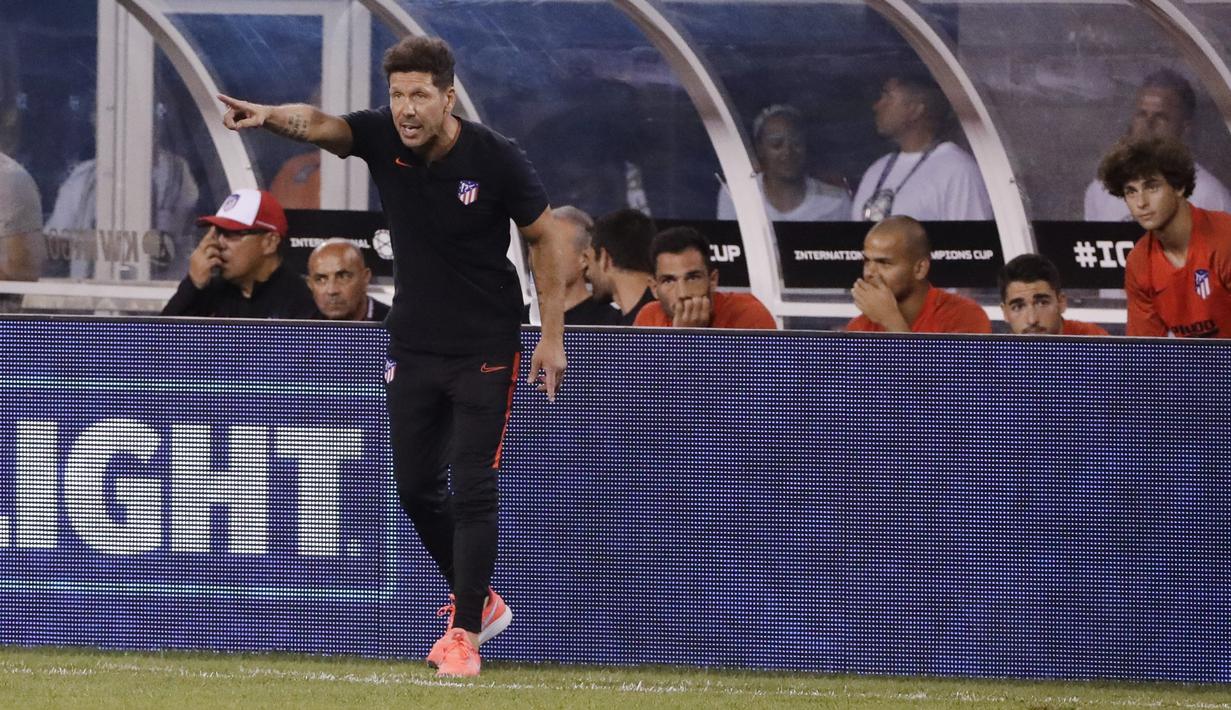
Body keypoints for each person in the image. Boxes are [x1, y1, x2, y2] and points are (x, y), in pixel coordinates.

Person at [214, 36, 570, 677]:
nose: (406, 109)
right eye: (397, 95)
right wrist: (267, 115)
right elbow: (320, 124)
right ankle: (481, 603)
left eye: (419, 95)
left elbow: (545, 236)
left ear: (447, 96)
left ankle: (463, 633)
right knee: (413, 490)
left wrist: (552, 333)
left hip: (486, 347)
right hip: (411, 345)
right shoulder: (381, 137)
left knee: (473, 487)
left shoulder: (496, 158)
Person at [1100, 137, 1231, 338]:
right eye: (1131, 191)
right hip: (1196, 366)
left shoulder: (1225, 238)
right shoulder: (1139, 263)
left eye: (1152, 187)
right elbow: (1145, 352)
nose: (1141, 202)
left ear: (1178, 187)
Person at [1085, 69, 1231, 221]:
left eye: (1161, 117)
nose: (1148, 124)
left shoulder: (1209, 196)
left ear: (1184, 128)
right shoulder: (1102, 190)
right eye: (1142, 115)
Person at [851, 74, 992, 222]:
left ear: (915, 110)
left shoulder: (958, 171)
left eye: (887, 96)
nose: (877, 106)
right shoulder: (877, 169)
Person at [161, 189, 317, 319]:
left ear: (270, 242)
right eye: (219, 232)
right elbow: (154, 346)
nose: (219, 243)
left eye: (231, 233)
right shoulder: (210, 291)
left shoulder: (300, 300)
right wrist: (192, 285)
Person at [846, 216, 992, 333]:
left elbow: (946, 371)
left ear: (920, 269)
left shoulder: (964, 316)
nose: (869, 273)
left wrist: (891, 321)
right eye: (866, 261)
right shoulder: (859, 327)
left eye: (884, 263)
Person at [716, 104, 850, 222]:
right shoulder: (736, 195)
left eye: (796, 143)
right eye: (776, 144)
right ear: (760, 149)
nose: (788, 152)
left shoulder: (836, 201)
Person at [634, 226, 776, 329]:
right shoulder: (649, 317)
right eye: (669, 281)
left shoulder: (747, 314)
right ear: (654, 287)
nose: (683, 293)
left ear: (713, 280)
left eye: (693, 278)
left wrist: (691, 340)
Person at [524, 205, 620, 326]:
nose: (539, 255)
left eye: (551, 247)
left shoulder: (611, 325)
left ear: (584, 259)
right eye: (535, 246)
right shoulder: (516, 322)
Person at [998, 253, 1109, 335]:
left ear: (1061, 302)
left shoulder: (1092, 340)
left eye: (1042, 303)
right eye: (1018, 307)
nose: (1032, 320)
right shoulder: (997, 358)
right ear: (1005, 312)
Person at [590, 208, 657, 325]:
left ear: (604, 259)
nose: (587, 273)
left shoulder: (661, 320)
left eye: (590, 261)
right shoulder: (617, 323)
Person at [307, 238, 389, 321]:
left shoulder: (396, 326)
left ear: (365, 278)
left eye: (343, 277)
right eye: (321, 279)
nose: (332, 290)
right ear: (310, 284)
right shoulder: (301, 327)